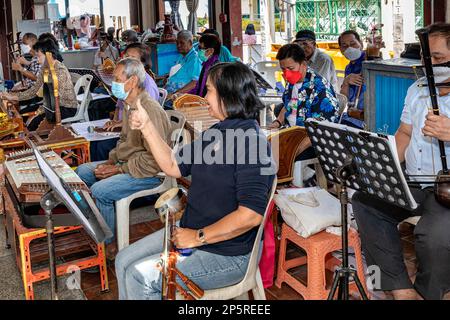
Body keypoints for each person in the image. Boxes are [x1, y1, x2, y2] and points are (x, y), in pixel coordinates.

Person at [115, 62, 275, 300]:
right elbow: (172, 165)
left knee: (141, 276)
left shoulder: (252, 144)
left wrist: (199, 236)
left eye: (209, 90)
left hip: (226, 253)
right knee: (123, 261)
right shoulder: (216, 133)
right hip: (190, 232)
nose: (203, 96)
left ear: (227, 96)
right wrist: (147, 126)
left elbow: (250, 215)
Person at [352, 22, 450, 300]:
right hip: (417, 179)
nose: (430, 64)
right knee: (365, 200)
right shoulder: (418, 89)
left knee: (434, 237)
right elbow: (404, 134)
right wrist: (383, 167)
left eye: (439, 58)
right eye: (425, 57)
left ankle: (433, 293)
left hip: (447, 188)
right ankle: (400, 288)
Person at [76, 58, 171, 259]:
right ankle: (97, 226)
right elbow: (125, 144)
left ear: (133, 81)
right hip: (130, 164)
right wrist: (111, 163)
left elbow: (155, 160)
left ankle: (109, 246)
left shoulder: (149, 109)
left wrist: (119, 169)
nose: (113, 84)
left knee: (100, 190)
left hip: (150, 172)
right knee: (82, 172)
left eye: (118, 79)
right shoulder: (130, 106)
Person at [270, 44, 339, 161]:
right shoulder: (292, 80)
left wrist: (293, 151)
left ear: (303, 64)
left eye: (290, 69)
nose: (286, 74)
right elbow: (288, 106)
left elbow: (319, 130)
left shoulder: (320, 88)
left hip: (313, 141)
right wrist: (277, 122)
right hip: (291, 133)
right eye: (283, 69)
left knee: (275, 158)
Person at [0, 38, 77, 131]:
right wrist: (13, 97)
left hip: (66, 107)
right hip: (50, 105)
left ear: (49, 55)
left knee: (33, 124)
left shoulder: (60, 71)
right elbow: (34, 90)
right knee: (22, 115)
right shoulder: (44, 68)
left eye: (39, 56)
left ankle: (33, 143)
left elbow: (56, 99)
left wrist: (39, 111)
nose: (38, 61)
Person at [338, 29, 383, 128]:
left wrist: (375, 50)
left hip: (369, 120)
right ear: (341, 50)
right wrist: (346, 82)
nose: (349, 48)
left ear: (361, 44)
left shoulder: (368, 60)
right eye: (344, 46)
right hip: (351, 117)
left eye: (353, 43)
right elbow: (343, 99)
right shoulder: (348, 68)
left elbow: (375, 58)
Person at [164, 30, 202, 102]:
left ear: (190, 43)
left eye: (182, 43)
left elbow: (195, 83)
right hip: (170, 93)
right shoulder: (182, 56)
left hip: (180, 98)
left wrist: (175, 94)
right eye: (177, 42)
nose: (178, 45)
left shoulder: (195, 59)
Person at [181, 33, 221, 98]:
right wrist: (184, 96)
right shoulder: (206, 65)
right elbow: (198, 88)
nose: (198, 51)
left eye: (200, 48)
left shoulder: (215, 69)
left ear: (210, 51)